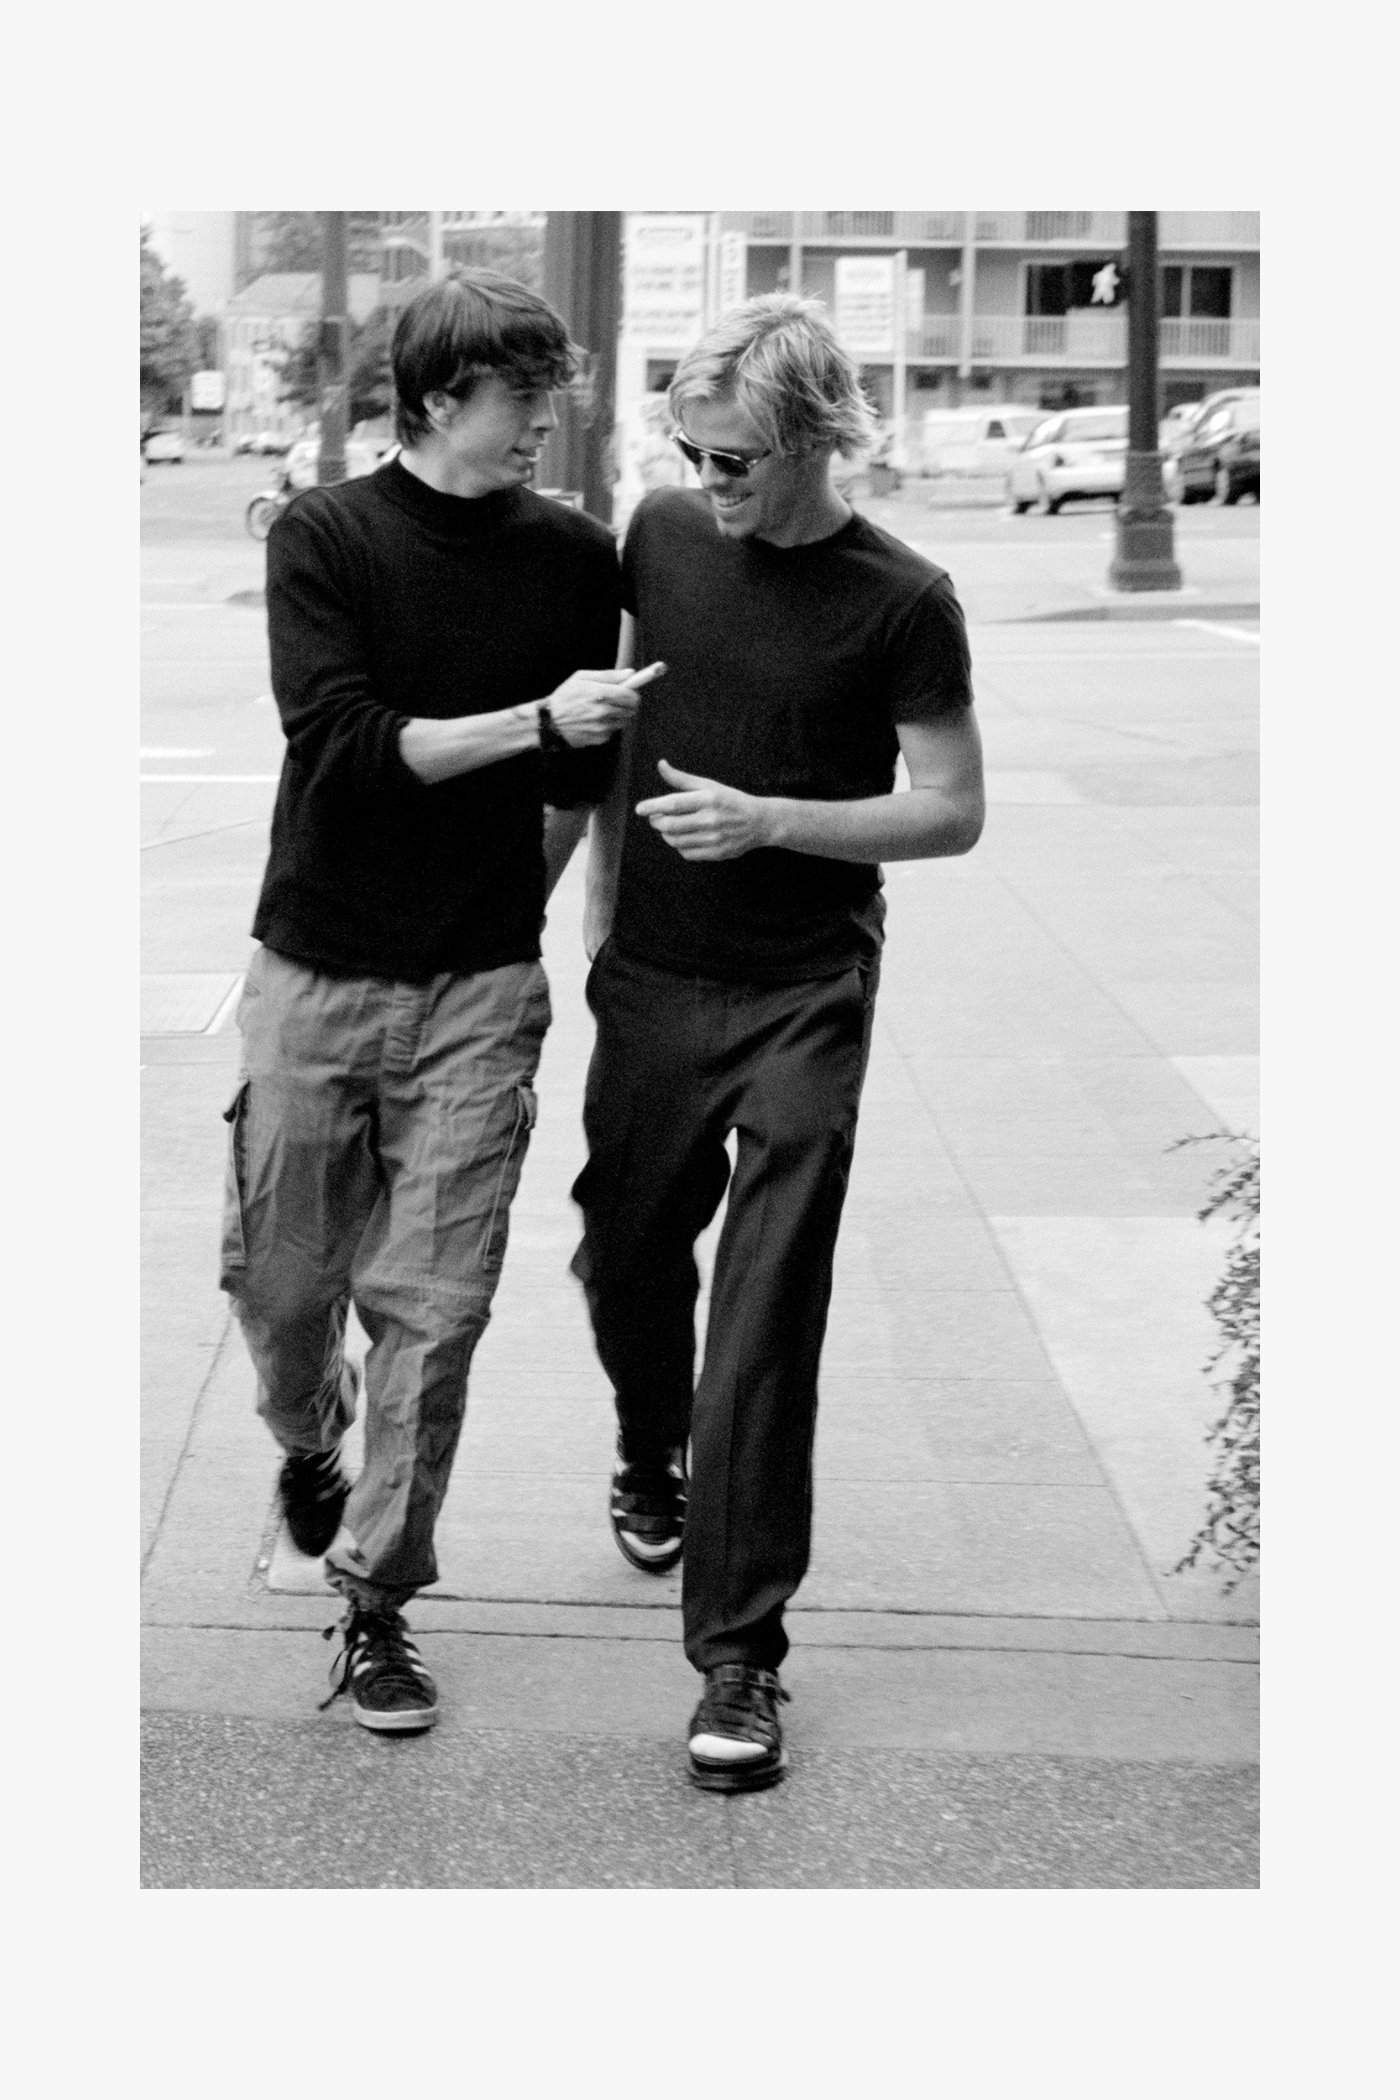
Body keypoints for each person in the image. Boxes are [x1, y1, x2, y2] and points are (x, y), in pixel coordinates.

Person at [220, 270, 646, 1734]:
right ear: (440, 395)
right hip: (314, 975)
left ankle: (378, 1606)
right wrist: (535, 720)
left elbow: (576, 783)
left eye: (551, 394)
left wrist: (511, 911)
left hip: (478, 991)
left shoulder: (576, 558)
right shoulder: (325, 536)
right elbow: (340, 745)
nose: (544, 422)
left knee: (436, 1309)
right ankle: (307, 1434)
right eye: (522, 395)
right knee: (285, 1291)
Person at [572, 295, 986, 1792]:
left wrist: (772, 824)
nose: (708, 477)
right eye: (692, 449)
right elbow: (613, 727)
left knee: (763, 1316)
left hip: (808, 988)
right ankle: (649, 1443)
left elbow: (951, 809)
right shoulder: (663, 534)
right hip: (653, 976)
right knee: (626, 1254)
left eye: (734, 456)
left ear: (815, 438)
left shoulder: (906, 598)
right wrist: (590, 905)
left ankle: (739, 1658)